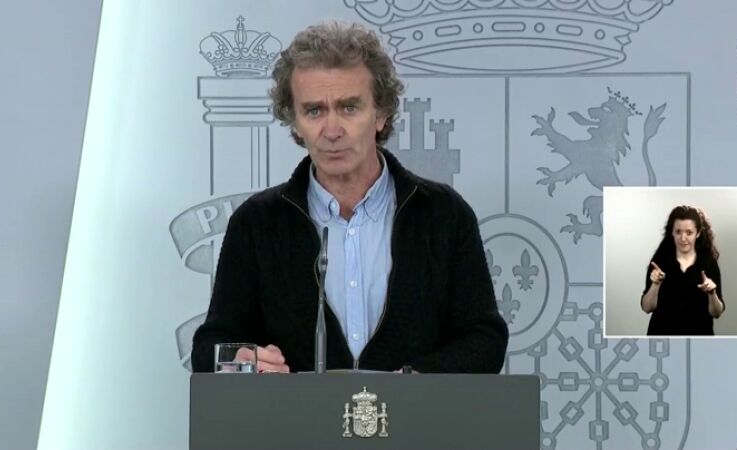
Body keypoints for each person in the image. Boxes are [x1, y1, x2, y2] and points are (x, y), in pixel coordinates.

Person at [190, 21, 508, 373]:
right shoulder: (257, 222)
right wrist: (240, 359)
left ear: (381, 113)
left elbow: (485, 339)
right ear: (295, 122)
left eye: (349, 108)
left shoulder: (443, 213)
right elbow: (209, 347)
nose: (332, 131)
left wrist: (414, 385)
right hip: (297, 411)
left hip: (418, 411)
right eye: (314, 111)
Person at [641, 205, 725, 335]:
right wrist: (655, 285)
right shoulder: (660, 261)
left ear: (698, 233)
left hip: (699, 337)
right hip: (662, 336)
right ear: (672, 232)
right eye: (678, 232)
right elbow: (647, 308)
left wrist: (712, 293)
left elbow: (717, 313)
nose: (683, 238)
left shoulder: (708, 263)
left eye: (689, 233)